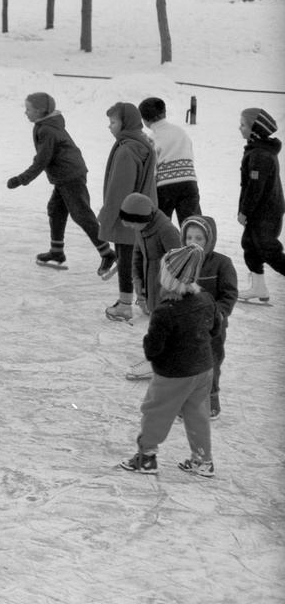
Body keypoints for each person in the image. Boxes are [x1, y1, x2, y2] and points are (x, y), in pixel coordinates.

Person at [119, 244, 220, 477]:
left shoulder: (165, 311)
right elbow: (214, 329)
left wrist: (148, 341)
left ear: (167, 276)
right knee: (197, 414)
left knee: (156, 412)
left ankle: (146, 457)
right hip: (203, 370)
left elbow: (153, 350)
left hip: (174, 374)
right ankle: (203, 460)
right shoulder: (206, 299)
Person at [6, 92, 117, 276]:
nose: (25, 113)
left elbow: (42, 160)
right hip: (64, 175)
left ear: (40, 111)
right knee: (56, 209)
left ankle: (108, 253)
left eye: (28, 109)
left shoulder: (47, 130)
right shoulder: (46, 125)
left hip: (70, 175)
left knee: (81, 214)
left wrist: (21, 179)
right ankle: (57, 251)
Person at [97, 101, 157, 322]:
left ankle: (124, 305)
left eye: (113, 122)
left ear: (125, 123)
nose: (110, 126)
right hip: (141, 212)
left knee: (126, 260)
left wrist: (106, 216)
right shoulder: (140, 144)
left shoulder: (127, 150)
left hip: (127, 215)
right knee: (137, 259)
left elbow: (118, 190)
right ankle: (146, 302)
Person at [117, 191, 181, 381]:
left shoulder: (167, 230)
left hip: (166, 290)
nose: (126, 225)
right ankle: (160, 360)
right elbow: (138, 255)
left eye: (130, 222)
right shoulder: (142, 228)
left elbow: (180, 263)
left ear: (142, 218)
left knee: (162, 327)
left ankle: (156, 362)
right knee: (156, 325)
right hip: (151, 287)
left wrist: (174, 293)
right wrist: (139, 284)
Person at [181, 215, 238, 418]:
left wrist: (218, 315)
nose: (192, 243)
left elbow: (229, 294)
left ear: (209, 240)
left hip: (213, 328)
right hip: (187, 326)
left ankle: (211, 400)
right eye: (188, 237)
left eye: (199, 238)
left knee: (211, 364)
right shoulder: (180, 262)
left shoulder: (222, 263)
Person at [236, 108, 285, 304]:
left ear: (255, 129)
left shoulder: (260, 155)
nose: (239, 128)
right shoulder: (257, 150)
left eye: (243, 125)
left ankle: (259, 285)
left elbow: (255, 188)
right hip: (261, 211)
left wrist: (244, 212)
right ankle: (258, 287)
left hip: (266, 213)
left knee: (269, 251)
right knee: (250, 246)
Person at [138, 97, 200, 225]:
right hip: (189, 182)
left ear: (145, 119)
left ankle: (165, 244)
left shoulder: (153, 138)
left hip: (165, 186)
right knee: (192, 223)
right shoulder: (180, 131)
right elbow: (190, 153)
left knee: (161, 224)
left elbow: (153, 167)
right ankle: (194, 244)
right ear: (164, 112)